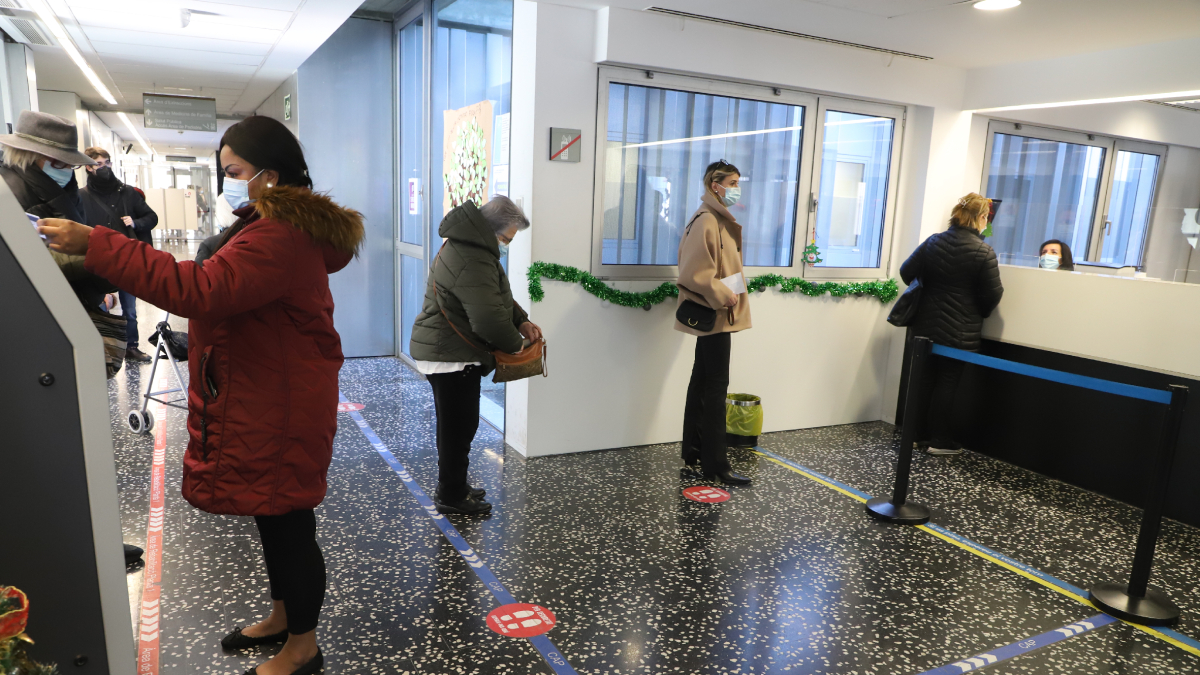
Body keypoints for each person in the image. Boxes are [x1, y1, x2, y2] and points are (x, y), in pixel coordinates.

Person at [39, 115, 364, 675]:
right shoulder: (266, 225)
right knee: (272, 513)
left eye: (233, 171)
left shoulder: (279, 235)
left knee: (289, 523)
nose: (227, 182)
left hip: (280, 403)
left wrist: (100, 245)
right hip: (267, 392)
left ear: (269, 173)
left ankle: (303, 647)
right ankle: (283, 615)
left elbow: (202, 289)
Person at [0, 111, 146, 563]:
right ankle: (78, 546)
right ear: (39, 156)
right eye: (62, 160)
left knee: (81, 436)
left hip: (77, 312)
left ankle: (91, 536)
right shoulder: (14, 194)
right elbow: (33, 268)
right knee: (58, 443)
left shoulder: (60, 190)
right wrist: (108, 257)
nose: (72, 169)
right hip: (43, 332)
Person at [409, 195, 541, 515]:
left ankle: (454, 484)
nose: (507, 244)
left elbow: (497, 297)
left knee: (459, 424)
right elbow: (487, 317)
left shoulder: (470, 247)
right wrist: (516, 346)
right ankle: (451, 495)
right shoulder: (472, 256)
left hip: (449, 351)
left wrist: (521, 320)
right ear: (491, 230)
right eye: (506, 238)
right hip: (449, 354)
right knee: (458, 427)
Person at [900, 192, 1004, 456]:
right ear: (982, 218)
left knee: (923, 380)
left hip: (924, 325)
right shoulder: (983, 251)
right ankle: (939, 440)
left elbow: (906, 271)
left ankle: (914, 435)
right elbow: (993, 293)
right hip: (959, 329)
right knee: (947, 382)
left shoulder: (933, 242)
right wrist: (976, 310)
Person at [675, 160, 752, 486]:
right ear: (714, 185)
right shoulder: (707, 220)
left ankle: (695, 453)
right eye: (732, 183)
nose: (736, 189)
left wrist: (728, 293)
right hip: (717, 313)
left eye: (738, 182)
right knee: (715, 386)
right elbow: (695, 273)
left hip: (721, 312)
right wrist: (725, 295)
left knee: (703, 382)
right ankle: (716, 464)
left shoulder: (716, 218)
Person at [80, 146, 159, 363]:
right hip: (97, 261)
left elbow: (152, 217)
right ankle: (97, 349)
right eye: (98, 164)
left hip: (126, 259)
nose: (104, 168)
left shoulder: (128, 192)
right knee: (95, 305)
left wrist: (136, 222)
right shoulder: (81, 197)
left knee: (130, 309)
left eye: (107, 163)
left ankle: (131, 347)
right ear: (88, 167)